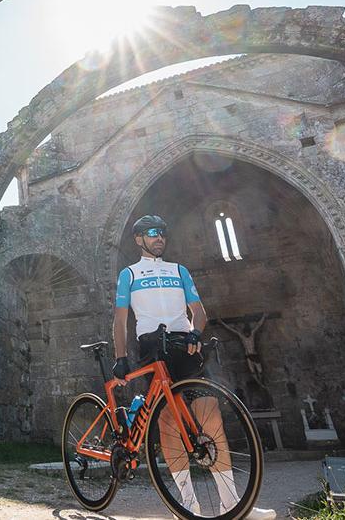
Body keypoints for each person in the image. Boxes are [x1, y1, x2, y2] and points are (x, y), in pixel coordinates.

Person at [112, 215, 275, 520]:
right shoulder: (129, 274)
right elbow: (120, 320)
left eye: (162, 233)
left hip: (185, 345)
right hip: (150, 347)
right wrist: (120, 357)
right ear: (138, 239)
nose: (159, 237)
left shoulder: (180, 270)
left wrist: (196, 332)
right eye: (151, 233)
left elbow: (198, 311)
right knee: (169, 425)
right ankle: (186, 507)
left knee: (210, 417)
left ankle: (233, 504)